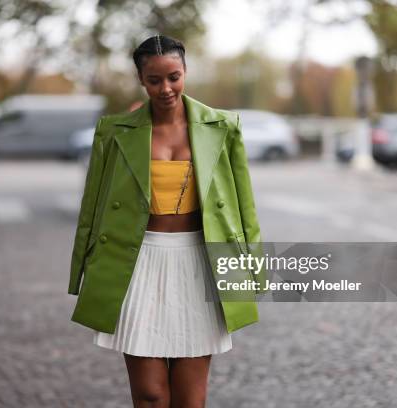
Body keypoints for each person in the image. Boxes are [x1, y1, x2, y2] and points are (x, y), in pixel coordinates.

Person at [68, 35, 266, 407]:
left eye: (174, 77)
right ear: (141, 80)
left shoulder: (223, 127)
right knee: (150, 395)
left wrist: (252, 270)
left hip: (200, 264)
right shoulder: (114, 132)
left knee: (190, 401)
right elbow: (91, 209)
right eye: (155, 79)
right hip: (137, 265)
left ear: (185, 72)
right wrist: (81, 269)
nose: (166, 88)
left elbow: (244, 207)